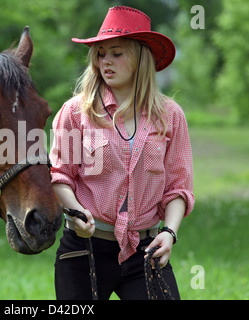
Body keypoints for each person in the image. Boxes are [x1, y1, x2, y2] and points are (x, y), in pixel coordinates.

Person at [49, 6, 194, 300]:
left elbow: (178, 189)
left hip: (146, 251)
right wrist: (76, 212)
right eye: (101, 54)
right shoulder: (76, 112)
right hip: (83, 249)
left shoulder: (170, 116)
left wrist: (170, 232)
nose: (106, 62)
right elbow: (60, 175)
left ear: (140, 58)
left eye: (116, 53)